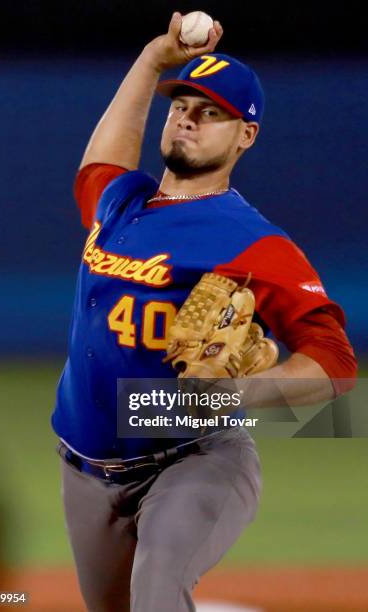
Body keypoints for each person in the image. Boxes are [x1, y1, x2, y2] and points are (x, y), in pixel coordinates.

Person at [52, 13, 357, 612]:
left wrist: (234, 394)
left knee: (159, 593)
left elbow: (335, 361)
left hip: (193, 458)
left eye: (211, 111)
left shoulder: (251, 240)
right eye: (181, 104)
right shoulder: (122, 202)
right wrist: (151, 59)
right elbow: (98, 167)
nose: (188, 115)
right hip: (84, 466)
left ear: (246, 135)